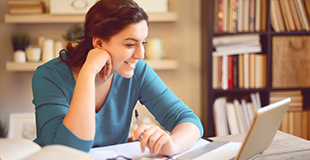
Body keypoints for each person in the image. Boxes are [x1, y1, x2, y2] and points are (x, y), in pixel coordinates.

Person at [32, 0, 203, 156]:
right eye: (130, 44)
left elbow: (189, 121)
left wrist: (171, 144)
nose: (140, 55)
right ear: (98, 43)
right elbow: (68, 152)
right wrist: (88, 72)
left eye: (143, 43)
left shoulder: (137, 71)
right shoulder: (49, 76)